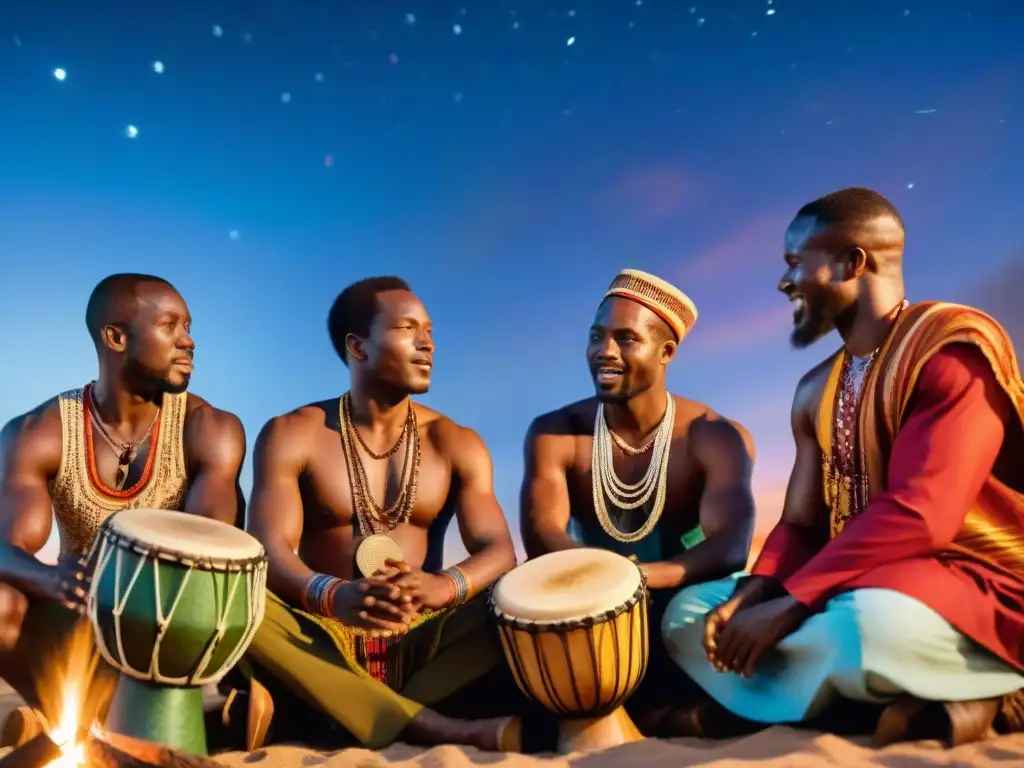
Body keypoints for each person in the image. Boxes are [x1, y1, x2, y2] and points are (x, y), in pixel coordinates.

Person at [662, 187, 1024, 746]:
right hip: (843, 579)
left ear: (851, 262)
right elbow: (802, 524)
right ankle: (864, 698)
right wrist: (753, 595)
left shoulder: (953, 346)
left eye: (794, 263)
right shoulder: (813, 390)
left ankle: (996, 694)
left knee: (865, 629)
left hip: (968, 580)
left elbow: (925, 516)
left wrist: (794, 602)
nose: (784, 283)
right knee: (690, 615)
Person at [240, 276, 523, 753]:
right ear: (359, 346)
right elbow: (268, 546)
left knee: (517, 599)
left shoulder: (457, 442)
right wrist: (332, 596)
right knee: (235, 592)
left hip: (424, 640)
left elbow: (499, 549)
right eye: (408, 328)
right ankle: (429, 725)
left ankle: (344, 709)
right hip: (321, 636)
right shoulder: (294, 433)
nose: (427, 343)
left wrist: (442, 585)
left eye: (429, 331)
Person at [0, 273, 247, 743]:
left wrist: (117, 571)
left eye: (189, 327)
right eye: (171, 326)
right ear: (115, 337)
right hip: (82, 621)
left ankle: (73, 726)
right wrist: (52, 578)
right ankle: (71, 721)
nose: (188, 341)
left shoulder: (209, 428)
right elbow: (4, 548)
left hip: (173, 620)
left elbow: (210, 542)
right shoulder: (39, 432)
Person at [519, 268, 757, 736]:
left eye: (626, 339)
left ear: (666, 352)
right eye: (596, 336)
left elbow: (730, 545)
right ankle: (665, 719)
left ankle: (660, 716)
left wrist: (641, 580)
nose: (604, 352)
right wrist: (607, 585)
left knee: (740, 616)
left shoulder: (712, 435)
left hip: (678, 601)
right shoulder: (555, 431)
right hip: (586, 601)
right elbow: (542, 531)